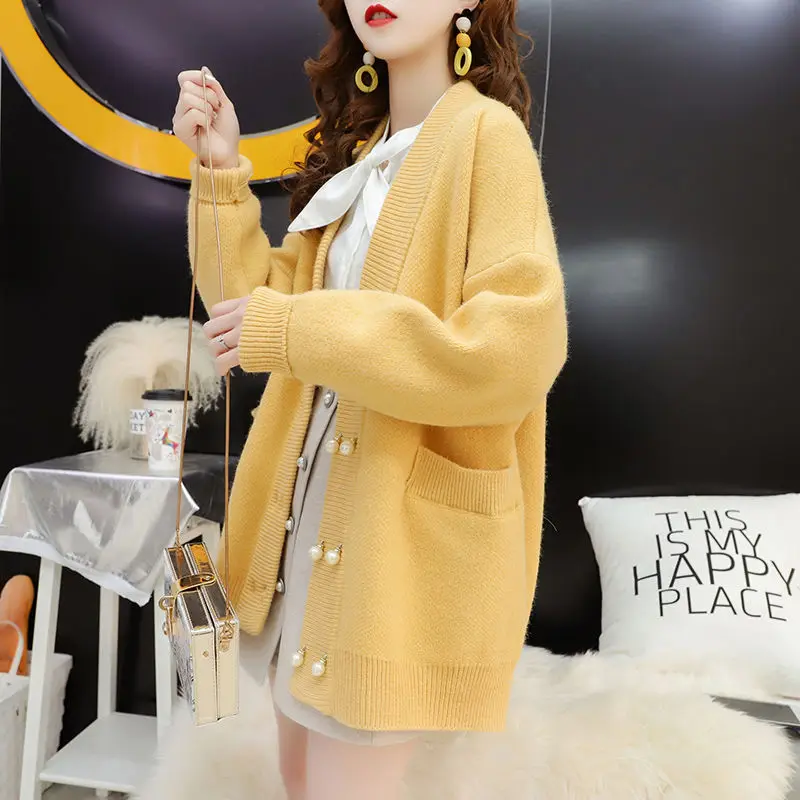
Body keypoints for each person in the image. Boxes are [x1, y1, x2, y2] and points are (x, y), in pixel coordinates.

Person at [171, 0, 568, 797]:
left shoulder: (488, 139)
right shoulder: (365, 154)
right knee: (297, 780)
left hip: (390, 553)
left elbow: (513, 354)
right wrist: (220, 168)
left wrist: (300, 329)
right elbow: (252, 308)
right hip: (301, 538)